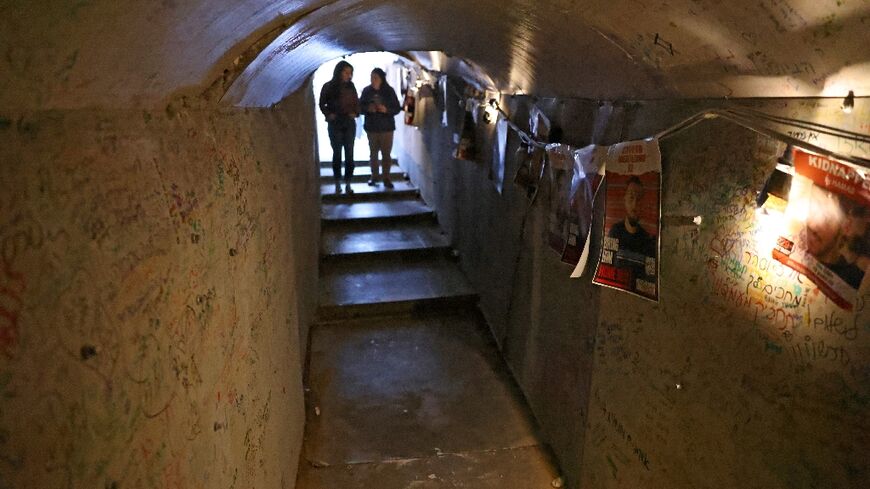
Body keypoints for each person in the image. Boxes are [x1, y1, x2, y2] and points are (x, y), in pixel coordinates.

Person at [319, 60, 360, 194]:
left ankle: (348, 182)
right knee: (337, 154)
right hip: (335, 123)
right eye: (346, 72)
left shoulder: (351, 87)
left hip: (348, 122)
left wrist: (356, 113)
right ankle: (337, 182)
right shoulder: (329, 86)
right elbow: (322, 104)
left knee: (349, 154)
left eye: (350, 73)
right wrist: (329, 114)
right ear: (339, 72)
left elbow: (356, 102)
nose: (349, 75)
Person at [359, 68, 401, 188]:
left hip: (386, 128)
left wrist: (386, 110)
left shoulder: (389, 91)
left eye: (376, 77)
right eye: (372, 77)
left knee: (386, 154)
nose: (373, 80)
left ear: (381, 79)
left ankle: (386, 177)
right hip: (372, 127)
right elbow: (360, 107)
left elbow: (397, 108)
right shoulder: (367, 91)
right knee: (373, 153)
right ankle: (374, 176)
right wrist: (368, 109)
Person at [608, 176, 656, 279]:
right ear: (624, 200)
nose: (635, 204)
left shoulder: (647, 240)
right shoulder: (615, 232)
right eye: (631, 197)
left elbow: (649, 276)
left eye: (639, 199)